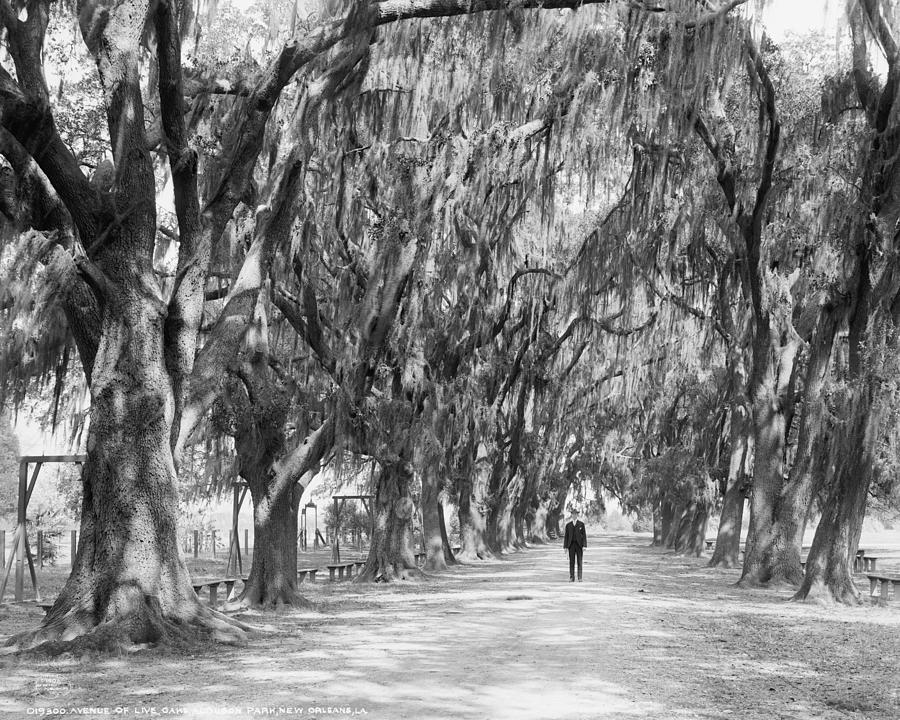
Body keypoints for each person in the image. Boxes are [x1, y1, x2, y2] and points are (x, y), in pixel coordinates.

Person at [563, 509, 587, 582]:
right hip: (571, 545)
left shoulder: (581, 524)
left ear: (577, 515)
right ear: (571, 515)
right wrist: (565, 547)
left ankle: (580, 577)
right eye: (573, 514)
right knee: (571, 562)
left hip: (579, 545)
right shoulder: (568, 525)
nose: (574, 515)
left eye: (575, 514)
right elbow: (566, 536)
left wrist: (584, 545)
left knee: (579, 562)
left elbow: (584, 536)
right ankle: (571, 577)